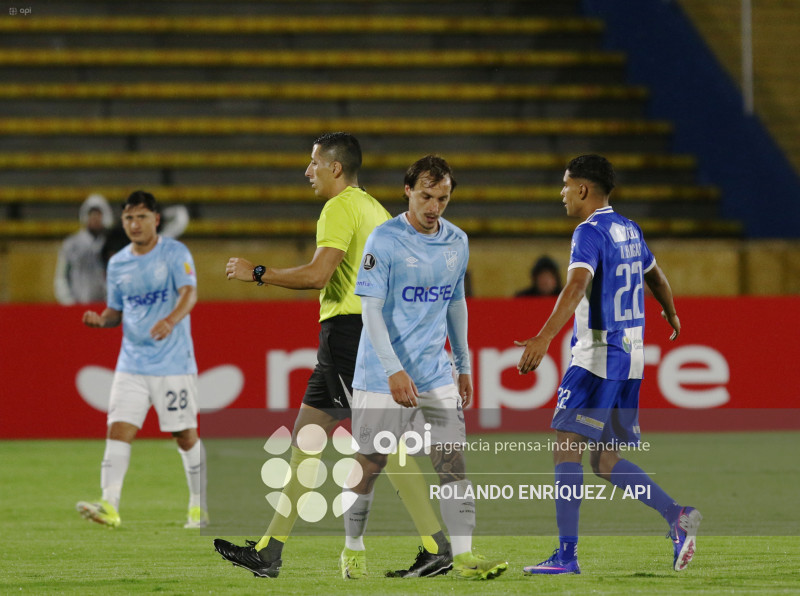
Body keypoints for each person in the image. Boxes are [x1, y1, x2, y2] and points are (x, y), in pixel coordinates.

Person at [214, 133, 451, 579]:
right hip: (353, 335)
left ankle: (437, 544)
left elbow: (320, 273)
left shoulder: (339, 208)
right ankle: (270, 550)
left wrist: (258, 273)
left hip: (351, 334)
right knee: (306, 438)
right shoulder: (374, 209)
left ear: (335, 168)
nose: (308, 172)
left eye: (314, 163)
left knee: (384, 442)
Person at [514, 154, 701, 575]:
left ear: (583, 189)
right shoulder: (629, 229)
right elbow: (656, 277)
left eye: (565, 185)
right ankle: (677, 516)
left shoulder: (589, 231)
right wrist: (670, 312)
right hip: (633, 357)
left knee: (566, 446)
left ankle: (566, 555)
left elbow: (577, 284)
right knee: (604, 461)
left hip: (597, 355)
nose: (561, 193)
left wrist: (544, 336)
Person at [343, 154, 508, 581]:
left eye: (443, 198)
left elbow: (456, 302)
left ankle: (466, 557)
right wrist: (394, 370)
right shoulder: (384, 240)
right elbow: (371, 312)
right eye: (426, 196)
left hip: (436, 373)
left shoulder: (458, 241)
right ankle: (353, 548)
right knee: (369, 465)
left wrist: (465, 364)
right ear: (408, 192)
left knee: (451, 461)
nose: (434, 206)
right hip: (382, 375)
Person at [76, 190, 207, 530]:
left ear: (156, 220)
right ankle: (109, 504)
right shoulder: (118, 262)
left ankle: (198, 505)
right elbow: (116, 312)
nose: (135, 224)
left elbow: (189, 293)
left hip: (173, 362)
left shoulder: (175, 253)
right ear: (122, 222)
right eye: (128, 218)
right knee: (118, 430)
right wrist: (101, 320)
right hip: (131, 362)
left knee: (184, 435)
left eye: (141, 217)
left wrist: (170, 320)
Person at [54, 193, 112, 305]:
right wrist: (68, 301)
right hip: (77, 305)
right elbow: (61, 276)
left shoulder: (112, 244)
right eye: (92, 214)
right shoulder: (71, 244)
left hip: (105, 307)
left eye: (98, 215)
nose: (95, 219)